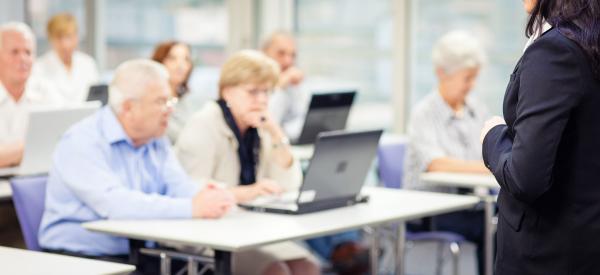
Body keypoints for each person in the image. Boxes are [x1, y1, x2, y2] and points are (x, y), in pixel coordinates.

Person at [38, 59, 236, 274]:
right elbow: (116, 205)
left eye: (170, 101)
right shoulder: (81, 141)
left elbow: (179, 186)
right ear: (128, 107)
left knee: (210, 271)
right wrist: (192, 207)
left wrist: (207, 196)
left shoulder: (155, 139)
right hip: (83, 258)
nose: (169, 109)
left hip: (140, 251)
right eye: (161, 101)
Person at [480, 0, 600, 274]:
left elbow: (526, 178)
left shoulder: (555, 49)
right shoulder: (588, 44)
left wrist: (492, 135)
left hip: (544, 251)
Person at [175, 50, 320, 275]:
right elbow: (193, 190)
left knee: (307, 267)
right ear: (227, 92)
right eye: (253, 92)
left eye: (266, 92)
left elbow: (288, 184)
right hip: (209, 234)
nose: (262, 100)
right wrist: (248, 192)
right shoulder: (203, 125)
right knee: (276, 270)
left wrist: (275, 131)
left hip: (249, 227)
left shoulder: (259, 126)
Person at [403, 30, 489, 275]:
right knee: (492, 226)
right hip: (431, 209)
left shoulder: (476, 110)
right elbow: (435, 163)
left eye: (475, 78)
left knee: (515, 218)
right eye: (466, 78)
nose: (471, 85)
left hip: (469, 203)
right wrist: (486, 167)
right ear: (442, 73)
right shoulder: (424, 113)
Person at [0, 21, 59, 168]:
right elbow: (49, 147)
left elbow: (64, 140)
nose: (23, 59)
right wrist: (33, 148)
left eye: (28, 52)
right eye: (15, 52)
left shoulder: (46, 91)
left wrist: (9, 154)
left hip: (37, 181)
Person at [32, 13, 99, 103]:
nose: (65, 44)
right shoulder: (38, 67)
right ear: (50, 38)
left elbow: (96, 102)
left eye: (69, 36)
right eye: (59, 38)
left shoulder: (88, 63)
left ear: (76, 36)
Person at [151, 41, 208, 143]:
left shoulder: (193, 103)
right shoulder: (151, 103)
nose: (180, 65)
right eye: (172, 58)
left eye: (186, 59)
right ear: (159, 62)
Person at [263, 31, 309, 140]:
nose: (288, 61)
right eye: (281, 53)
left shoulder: (293, 83)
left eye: (293, 55)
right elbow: (265, 127)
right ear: (264, 53)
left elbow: (301, 119)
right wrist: (280, 85)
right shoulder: (252, 86)